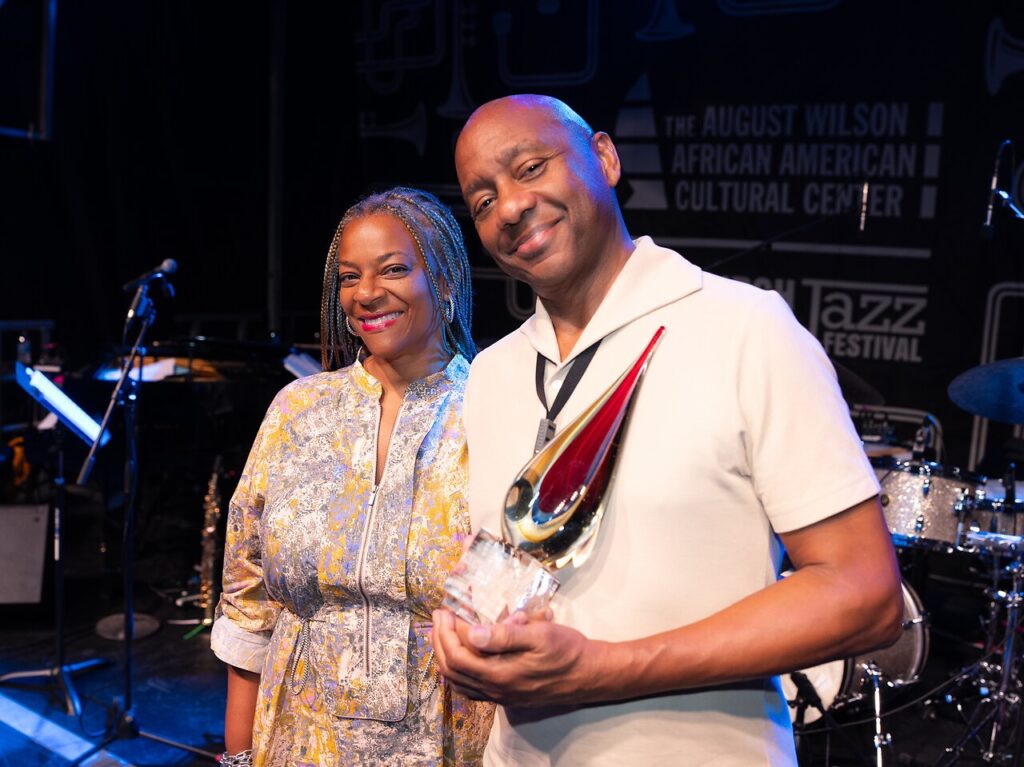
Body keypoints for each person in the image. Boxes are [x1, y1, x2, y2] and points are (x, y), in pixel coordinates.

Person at [432, 95, 904, 765]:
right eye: (482, 201)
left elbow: (866, 595)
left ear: (604, 157)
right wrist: (468, 636)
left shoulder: (746, 330)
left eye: (531, 167)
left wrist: (604, 669)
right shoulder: (493, 372)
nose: (508, 207)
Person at [211, 187, 493, 766]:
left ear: (443, 279)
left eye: (393, 269)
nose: (366, 294)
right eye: (348, 276)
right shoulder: (297, 412)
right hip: (299, 740)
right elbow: (249, 602)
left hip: (451, 743)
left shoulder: (496, 407)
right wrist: (237, 759)